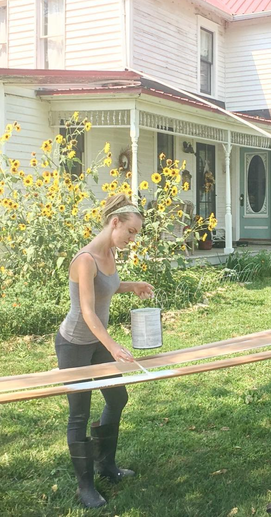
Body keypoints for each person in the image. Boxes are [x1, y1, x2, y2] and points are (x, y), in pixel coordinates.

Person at [55, 194, 154, 508]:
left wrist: (132, 285)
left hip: (97, 343)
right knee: (79, 414)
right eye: (131, 231)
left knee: (117, 398)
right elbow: (87, 311)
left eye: (135, 233)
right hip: (73, 345)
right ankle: (85, 487)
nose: (132, 239)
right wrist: (113, 345)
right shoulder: (85, 260)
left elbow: (107, 285)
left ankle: (106, 465)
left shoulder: (110, 252)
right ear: (115, 223)